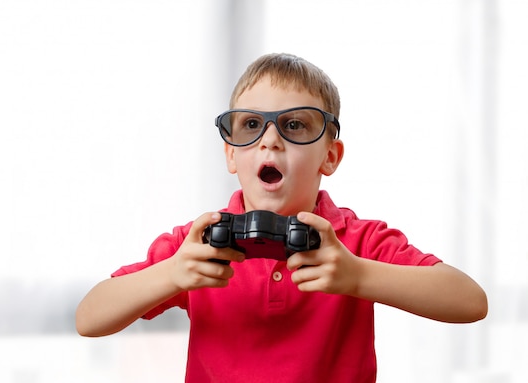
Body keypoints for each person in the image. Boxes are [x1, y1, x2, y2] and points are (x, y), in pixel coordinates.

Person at [76, 53, 488, 382]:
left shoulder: (355, 243)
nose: (270, 140)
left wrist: (357, 275)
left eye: (293, 125)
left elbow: (470, 302)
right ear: (231, 154)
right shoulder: (197, 245)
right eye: (251, 125)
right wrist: (171, 274)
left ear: (330, 156)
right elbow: (89, 318)